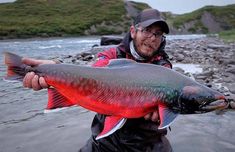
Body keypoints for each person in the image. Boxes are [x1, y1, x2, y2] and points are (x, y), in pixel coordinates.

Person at [22, 9, 173, 152]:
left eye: (158, 34)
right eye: (147, 30)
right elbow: (91, 75)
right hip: (105, 140)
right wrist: (55, 68)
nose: (152, 38)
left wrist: (164, 112)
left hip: (148, 144)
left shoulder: (164, 68)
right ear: (133, 31)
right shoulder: (111, 55)